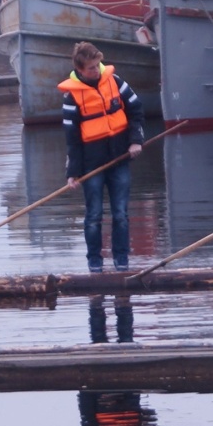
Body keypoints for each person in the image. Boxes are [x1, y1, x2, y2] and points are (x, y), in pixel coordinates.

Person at [60, 42, 146, 271]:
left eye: (98, 65)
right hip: (91, 166)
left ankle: (121, 262)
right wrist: (73, 173)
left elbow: (136, 111)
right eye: (91, 68)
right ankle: (95, 264)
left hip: (119, 159)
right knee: (94, 215)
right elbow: (72, 139)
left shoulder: (116, 82)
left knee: (120, 213)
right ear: (80, 70)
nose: (96, 71)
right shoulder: (71, 98)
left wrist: (136, 140)